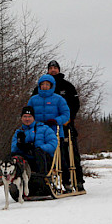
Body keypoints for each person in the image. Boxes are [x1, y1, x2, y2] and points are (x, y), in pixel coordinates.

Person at [32, 60, 84, 189]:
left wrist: (66, 120)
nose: (53, 70)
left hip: (63, 126)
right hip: (41, 129)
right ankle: (40, 180)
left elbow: (73, 105)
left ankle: (76, 181)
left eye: (55, 68)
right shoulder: (36, 94)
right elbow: (30, 111)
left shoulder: (67, 86)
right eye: (51, 68)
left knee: (68, 153)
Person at [11, 106, 58, 174]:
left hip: (43, 159)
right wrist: (20, 145)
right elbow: (13, 149)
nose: (27, 119)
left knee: (38, 153)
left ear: (33, 118)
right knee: (13, 157)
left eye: (29, 116)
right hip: (27, 160)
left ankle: (42, 177)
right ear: (21, 118)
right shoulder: (19, 132)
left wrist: (39, 148)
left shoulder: (44, 128)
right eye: (25, 116)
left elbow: (53, 144)